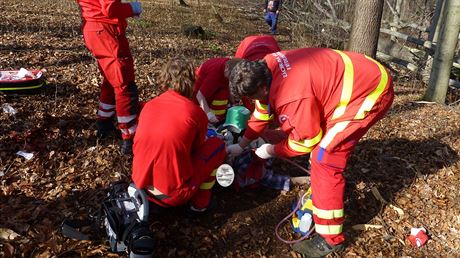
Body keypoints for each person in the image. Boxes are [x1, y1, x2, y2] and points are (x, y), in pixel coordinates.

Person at [226, 48, 394, 257]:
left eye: (252, 96)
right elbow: (262, 110)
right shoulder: (266, 66)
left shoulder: (292, 96)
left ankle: (330, 240)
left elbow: (305, 142)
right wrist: (242, 144)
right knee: (315, 146)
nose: (253, 100)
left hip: (368, 92)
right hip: (354, 78)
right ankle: (325, 197)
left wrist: (270, 150)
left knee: (324, 158)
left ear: (261, 85)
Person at [132, 57, 226, 214]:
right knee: (218, 146)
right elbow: (198, 147)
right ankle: (200, 205)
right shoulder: (194, 112)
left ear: (165, 80)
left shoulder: (149, 105)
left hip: (140, 184)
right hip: (173, 195)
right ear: (191, 83)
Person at [76, 0, 142, 154]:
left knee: (110, 79)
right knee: (124, 84)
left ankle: (104, 123)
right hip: (106, 31)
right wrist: (132, 8)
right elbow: (110, 8)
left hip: (93, 27)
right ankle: (130, 138)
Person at [235, 35, 281, 111]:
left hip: (269, 44)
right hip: (247, 46)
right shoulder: (244, 68)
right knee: (243, 85)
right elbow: (241, 84)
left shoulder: (274, 68)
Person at [193, 57, 243, 124]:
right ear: (227, 67)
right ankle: (215, 121)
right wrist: (209, 114)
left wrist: (234, 104)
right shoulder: (214, 75)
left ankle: (219, 118)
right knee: (222, 94)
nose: (231, 79)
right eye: (230, 76)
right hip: (196, 94)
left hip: (215, 90)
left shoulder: (231, 65)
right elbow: (199, 95)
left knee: (224, 93)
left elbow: (228, 86)